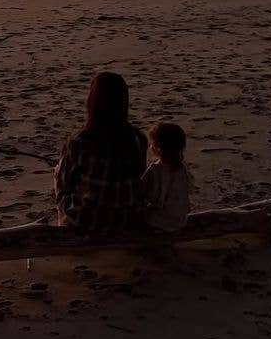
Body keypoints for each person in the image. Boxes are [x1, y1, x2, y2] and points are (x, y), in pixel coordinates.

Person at [55, 72, 147, 233]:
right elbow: (139, 172)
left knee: (59, 177)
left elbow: (66, 182)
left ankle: (64, 227)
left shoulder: (79, 141)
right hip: (128, 218)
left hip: (88, 222)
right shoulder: (137, 137)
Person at [142, 121, 190, 232]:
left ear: (157, 147)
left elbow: (143, 190)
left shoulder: (155, 169)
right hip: (180, 221)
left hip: (159, 222)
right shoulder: (182, 168)